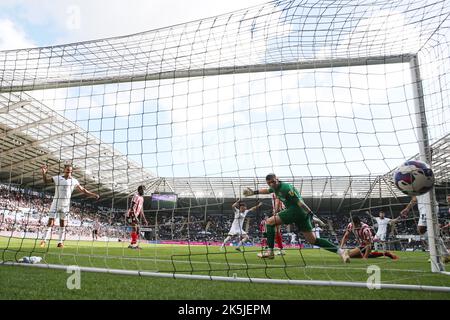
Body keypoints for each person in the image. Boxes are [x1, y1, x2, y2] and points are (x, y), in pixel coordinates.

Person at [243, 173, 350, 262]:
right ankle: (341, 252)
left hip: (296, 211)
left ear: (278, 179)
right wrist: (254, 192)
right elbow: (266, 191)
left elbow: (300, 203)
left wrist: (312, 215)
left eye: (273, 182)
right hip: (301, 215)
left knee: (269, 222)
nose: (271, 184)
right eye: (269, 183)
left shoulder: (286, 188)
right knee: (313, 240)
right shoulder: (274, 188)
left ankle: (270, 252)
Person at [40, 164, 99, 248]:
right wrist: (44, 173)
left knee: (63, 224)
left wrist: (93, 194)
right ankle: (43, 240)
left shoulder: (74, 181)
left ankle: (60, 243)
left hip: (65, 205)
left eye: (70, 170)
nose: (68, 171)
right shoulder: (57, 178)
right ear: (64, 170)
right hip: (56, 203)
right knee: (50, 222)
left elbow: (83, 190)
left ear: (72, 171)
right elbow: (46, 181)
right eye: (67, 169)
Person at [401, 194, 449, 263]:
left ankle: (437, 255)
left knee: (421, 230)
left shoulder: (421, 184)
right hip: (424, 208)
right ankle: (442, 255)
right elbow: (414, 198)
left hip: (428, 206)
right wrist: (407, 209)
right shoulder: (414, 188)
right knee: (432, 233)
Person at [125, 185, 148, 249]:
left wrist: (144, 219)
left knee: (137, 230)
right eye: (143, 190)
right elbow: (131, 207)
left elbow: (141, 210)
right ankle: (134, 245)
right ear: (140, 190)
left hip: (135, 215)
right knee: (135, 228)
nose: (144, 192)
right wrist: (135, 217)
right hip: (130, 214)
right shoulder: (136, 196)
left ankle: (132, 245)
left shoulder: (142, 198)